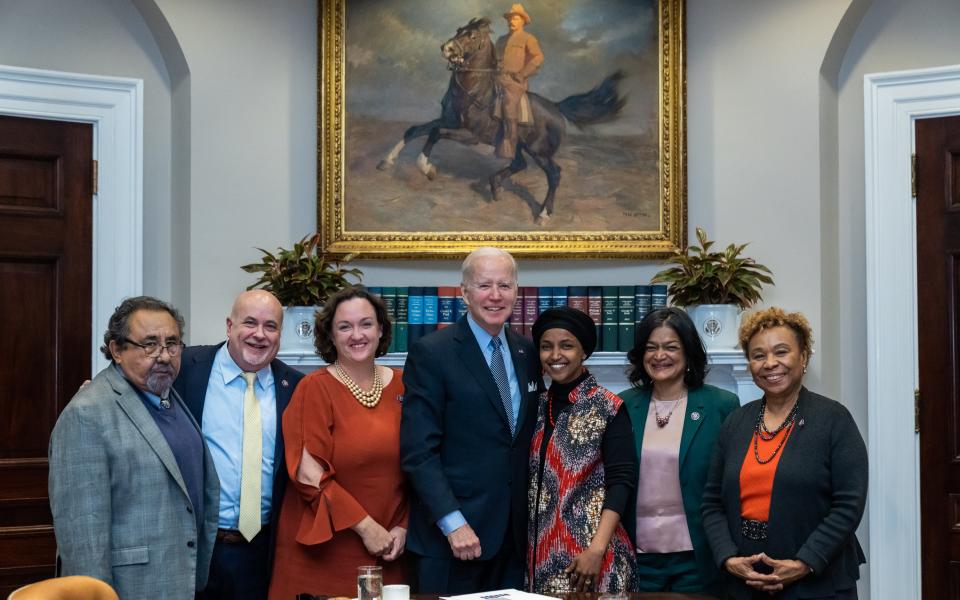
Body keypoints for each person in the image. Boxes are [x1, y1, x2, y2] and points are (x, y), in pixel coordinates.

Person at [49, 296, 219, 598]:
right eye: (149, 344)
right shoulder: (86, 414)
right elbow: (83, 540)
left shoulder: (166, 395)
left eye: (172, 344)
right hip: (132, 588)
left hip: (180, 580)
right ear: (117, 350)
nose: (164, 356)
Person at [401, 247, 544, 593]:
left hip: (513, 542)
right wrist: (453, 524)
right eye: (484, 285)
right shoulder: (432, 353)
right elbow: (419, 452)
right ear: (464, 293)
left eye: (504, 285)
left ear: (516, 292)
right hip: (452, 542)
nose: (495, 295)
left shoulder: (527, 352)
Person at [701, 307, 867, 599]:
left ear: (803, 357)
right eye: (758, 355)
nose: (770, 363)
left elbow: (848, 505)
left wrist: (805, 562)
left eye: (781, 352)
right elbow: (712, 502)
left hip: (818, 584)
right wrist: (728, 558)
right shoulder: (736, 422)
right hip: (744, 583)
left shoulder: (834, 419)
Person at [268, 286, 407, 598]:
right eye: (345, 326)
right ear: (330, 335)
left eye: (366, 324)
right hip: (325, 553)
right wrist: (367, 528)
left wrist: (405, 527)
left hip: (390, 550)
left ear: (381, 329)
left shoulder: (405, 386)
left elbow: (422, 461)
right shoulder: (313, 389)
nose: (357, 335)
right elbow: (308, 474)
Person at [173, 290, 304, 599]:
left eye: (270, 326)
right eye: (250, 323)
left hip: (263, 552)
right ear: (229, 326)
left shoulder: (295, 386)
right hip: (196, 546)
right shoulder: (186, 367)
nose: (259, 334)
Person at [620, 307, 740, 596]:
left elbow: (732, 485)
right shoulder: (622, 406)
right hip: (637, 557)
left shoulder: (721, 405)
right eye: (651, 347)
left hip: (698, 557)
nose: (659, 355)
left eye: (671, 347)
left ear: (688, 352)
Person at [527, 306, 638, 593]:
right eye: (546, 347)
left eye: (567, 346)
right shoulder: (536, 406)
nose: (555, 355)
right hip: (540, 559)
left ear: (584, 351)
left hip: (593, 558)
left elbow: (621, 482)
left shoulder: (608, 406)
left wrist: (596, 550)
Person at [494, 3, 544, 158]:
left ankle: (510, 144)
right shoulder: (501, 40)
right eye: (509, 18)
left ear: (523, 21)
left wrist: (522, 74)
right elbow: (493, 60)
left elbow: (538, 57)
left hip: (515, 82)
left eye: (515, 18)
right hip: (497, 78)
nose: (511, 21)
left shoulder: (528, 38)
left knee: (509, 104)